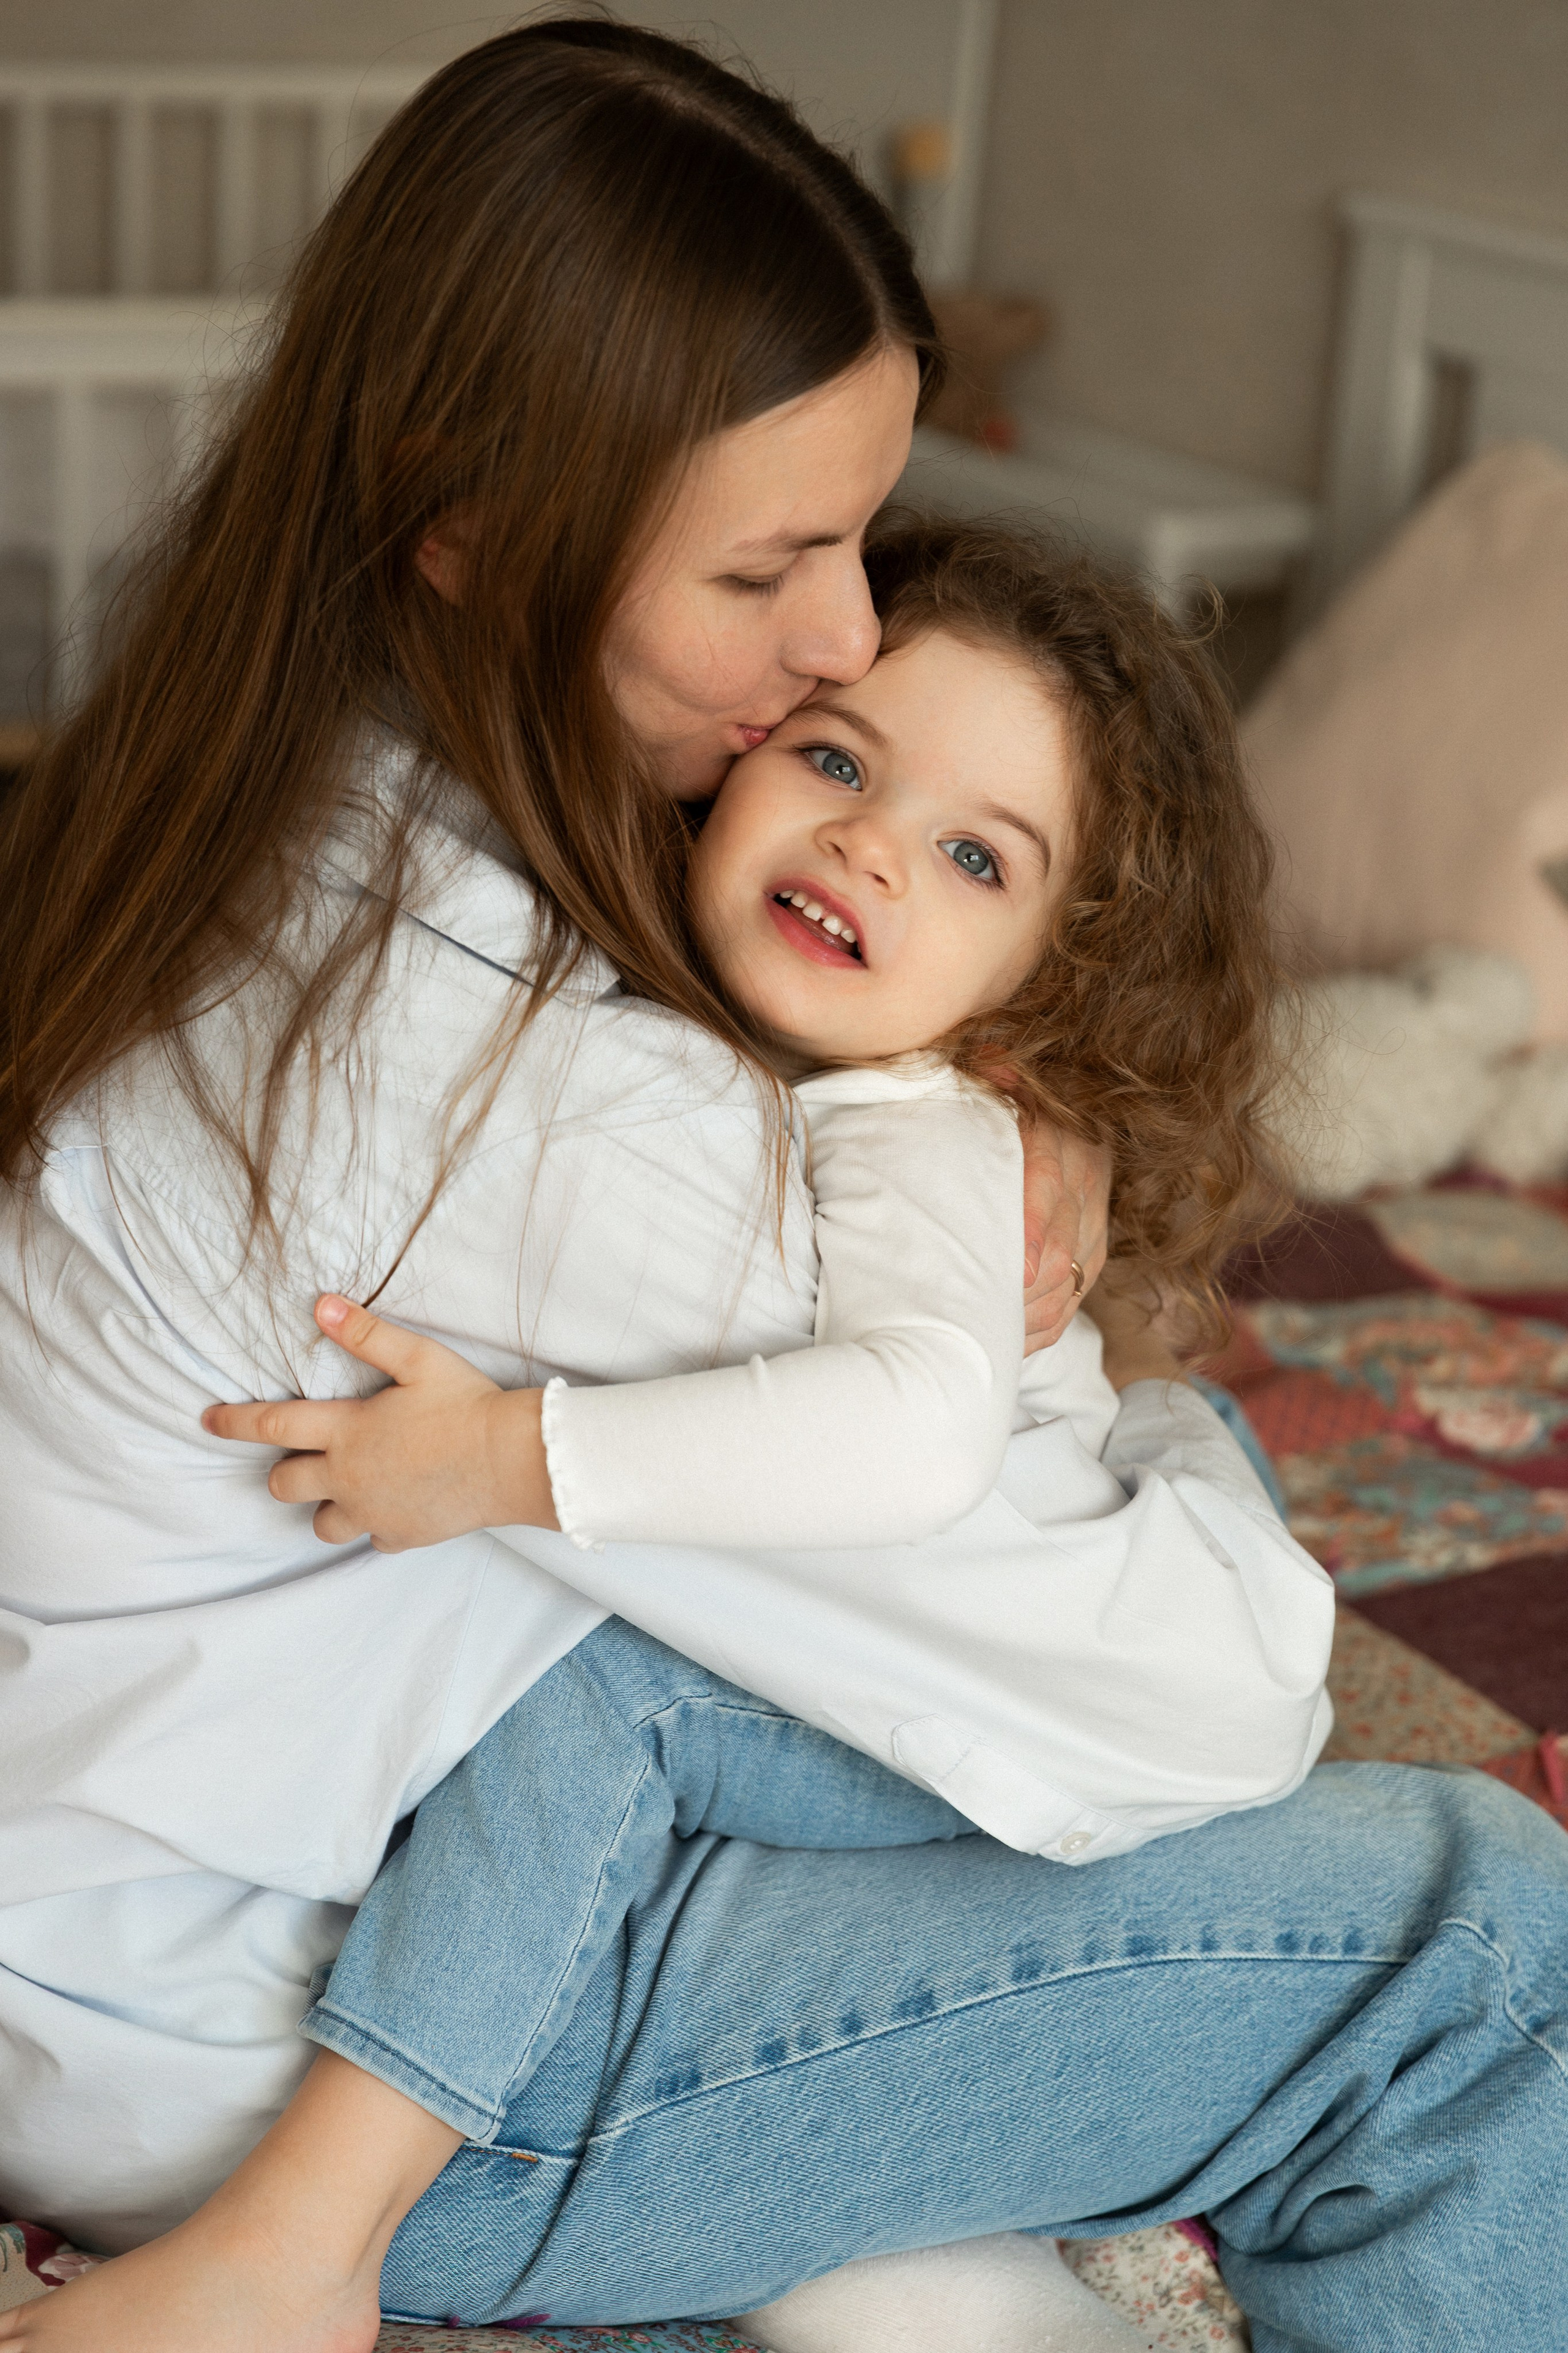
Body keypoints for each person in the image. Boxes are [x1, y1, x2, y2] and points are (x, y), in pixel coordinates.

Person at [0, 22, 1564, 2353]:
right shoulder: (542, 1109)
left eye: (860, 528)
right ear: (473, 524)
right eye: (779, 566)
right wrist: (1090, 1361)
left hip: (128, 1895)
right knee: (1490, 1938)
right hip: (254, 2035)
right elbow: (1211, 1699)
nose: (852, 628)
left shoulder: (272, 793)